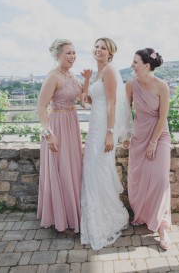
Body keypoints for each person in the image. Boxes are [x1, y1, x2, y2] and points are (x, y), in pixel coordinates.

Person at [37, 38, 92, 233]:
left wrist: (86, 80)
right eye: (68, 53)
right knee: (61, 169)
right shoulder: (53, 76)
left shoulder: (71, 75)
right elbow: (41, 107)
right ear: (57, 55)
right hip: (57, 126)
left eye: (74, 53)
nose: (72, 56)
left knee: (73, 168)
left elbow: (84, 101)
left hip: (72, 125)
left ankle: (72, 212)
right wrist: (48, 133)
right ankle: (60, 216)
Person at [80, 37, 129, 250]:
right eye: (97, 47)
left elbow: (112, 103)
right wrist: (87, 81)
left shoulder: (109, 71)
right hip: (93, 128)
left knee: (98, 170)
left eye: (103, 48)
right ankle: (95, 216)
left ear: (110, 53)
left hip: (103, 129)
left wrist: (110, 133)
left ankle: (107, 219)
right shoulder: (97, 72)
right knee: (91, 171)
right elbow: (87, 101)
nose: (98, 50)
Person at [122, 47, 172, 250]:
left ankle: (162, 228)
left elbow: (162, 117)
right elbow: (126, 113)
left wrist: (153, 143)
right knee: (138, 178)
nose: (132, 65)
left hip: (159, 135)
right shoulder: (130, 85)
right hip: (139, 135)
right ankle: (143, 215)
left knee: (160, 179)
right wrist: (125, 136)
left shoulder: (162, 86)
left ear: (146, 65)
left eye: (135, 62)